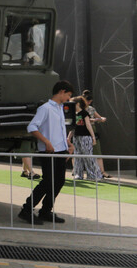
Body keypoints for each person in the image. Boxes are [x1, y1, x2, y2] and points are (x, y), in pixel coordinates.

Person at [19, 80, 75, 225]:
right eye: (68, 95)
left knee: (59, 181)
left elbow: (59, 129)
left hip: (60, 151)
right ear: (61, 92)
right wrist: (47, 142)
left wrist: (68, 144)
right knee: (48, 182)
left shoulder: (60, 108)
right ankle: (26, 209)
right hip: (49, 152)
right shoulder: (45, 108)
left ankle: (45, 211)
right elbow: (32, 127)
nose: (69, 98)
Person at [68, 96, 104, 181]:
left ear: (77, 104)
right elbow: (73, 128)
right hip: (76, 137)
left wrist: (93, 137)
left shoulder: (84, 113)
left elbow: (88, 125)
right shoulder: (74, 114)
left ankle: (94, 175)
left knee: (88, 155)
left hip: (85, 137)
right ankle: (78, 174)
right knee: (77, 155)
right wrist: (69, 137)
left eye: (73, 104)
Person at [83, 90, 109, 178]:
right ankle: (79, 171)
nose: (89, 103)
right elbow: (83, 120)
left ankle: (102, 171)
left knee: (97, 150)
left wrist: (101, 119)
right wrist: (96, 119)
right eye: (88, 101)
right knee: (81, 151)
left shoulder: (91, 109)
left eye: (90, 102)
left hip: (92, 129)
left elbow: (99, 117)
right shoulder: (79, 108)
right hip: (82, 130)